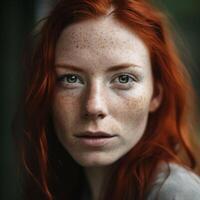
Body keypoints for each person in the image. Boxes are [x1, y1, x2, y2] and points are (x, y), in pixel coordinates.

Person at [14, 0, 200, 200]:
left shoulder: (176, 194)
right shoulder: (58, 187)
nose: (94, 106)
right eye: (71, 79)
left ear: (155, 95)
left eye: (124, 79)